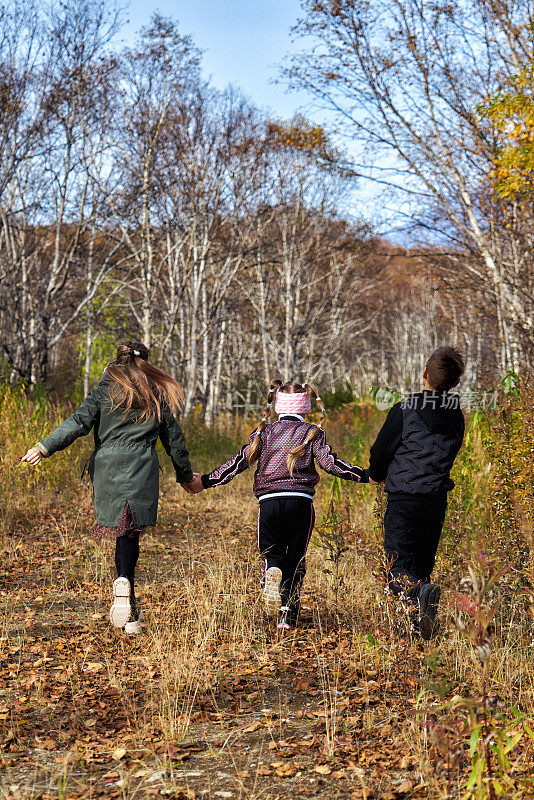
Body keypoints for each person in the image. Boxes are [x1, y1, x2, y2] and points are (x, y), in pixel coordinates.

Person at [20, 341, 199, 634]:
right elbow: (174, 439)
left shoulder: (104, 391)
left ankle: (129, 607)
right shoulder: (155, 394)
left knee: (122, 532)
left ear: (118, 360)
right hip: (142, 468)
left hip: (108, 470)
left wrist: (44, 447)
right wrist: (185, 476)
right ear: (145, 363)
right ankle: (126, 585)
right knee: (129, 535)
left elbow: (77, 423)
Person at [191, 380, 367, 630]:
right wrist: (365, 475)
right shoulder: (312, 432)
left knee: (272, 553)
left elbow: (239, 461)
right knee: (296, 558)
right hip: (301, 504)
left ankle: (272, 572)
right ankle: (288, 614)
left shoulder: (265, 432)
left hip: (270, 503)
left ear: (277, 406)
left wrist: (207, 481)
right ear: (305, 408)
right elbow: (331, 464)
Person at [367, 347, 465, 639]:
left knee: (398, 566)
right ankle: (418, 630)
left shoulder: (405, 408)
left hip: (403, 498)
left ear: (424, 373)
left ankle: (420, 596)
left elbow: (381, 450)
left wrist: (375, 474)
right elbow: (451, 452)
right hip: (435, 499)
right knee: (422, 564)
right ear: (455, 383)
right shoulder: (456, 415)